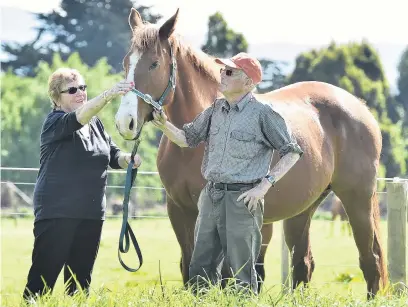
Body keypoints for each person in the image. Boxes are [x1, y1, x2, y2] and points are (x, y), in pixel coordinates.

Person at [151, 52, 303, 295]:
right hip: (211, 195)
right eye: (222, 70)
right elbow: (186, 139)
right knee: (200, 267)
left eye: (230, 72)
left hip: (242, 200)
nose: (222, 74)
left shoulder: (264, 114)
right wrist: (164, 125)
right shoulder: (215, 110)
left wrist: (263, 186)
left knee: (241, 271)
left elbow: (292, 152)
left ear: (249, 82)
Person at [23, 68, 142, 301]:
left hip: (91, 214)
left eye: (83, 88)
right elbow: (78, 118)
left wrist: (127, 159)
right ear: (56, 98)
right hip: (57, 212)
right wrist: (108, 95)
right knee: (42, 281)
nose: (81, 93)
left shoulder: (95, 123)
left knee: (79, 284)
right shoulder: (55, 122)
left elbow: (111, 154)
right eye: (73, 90)